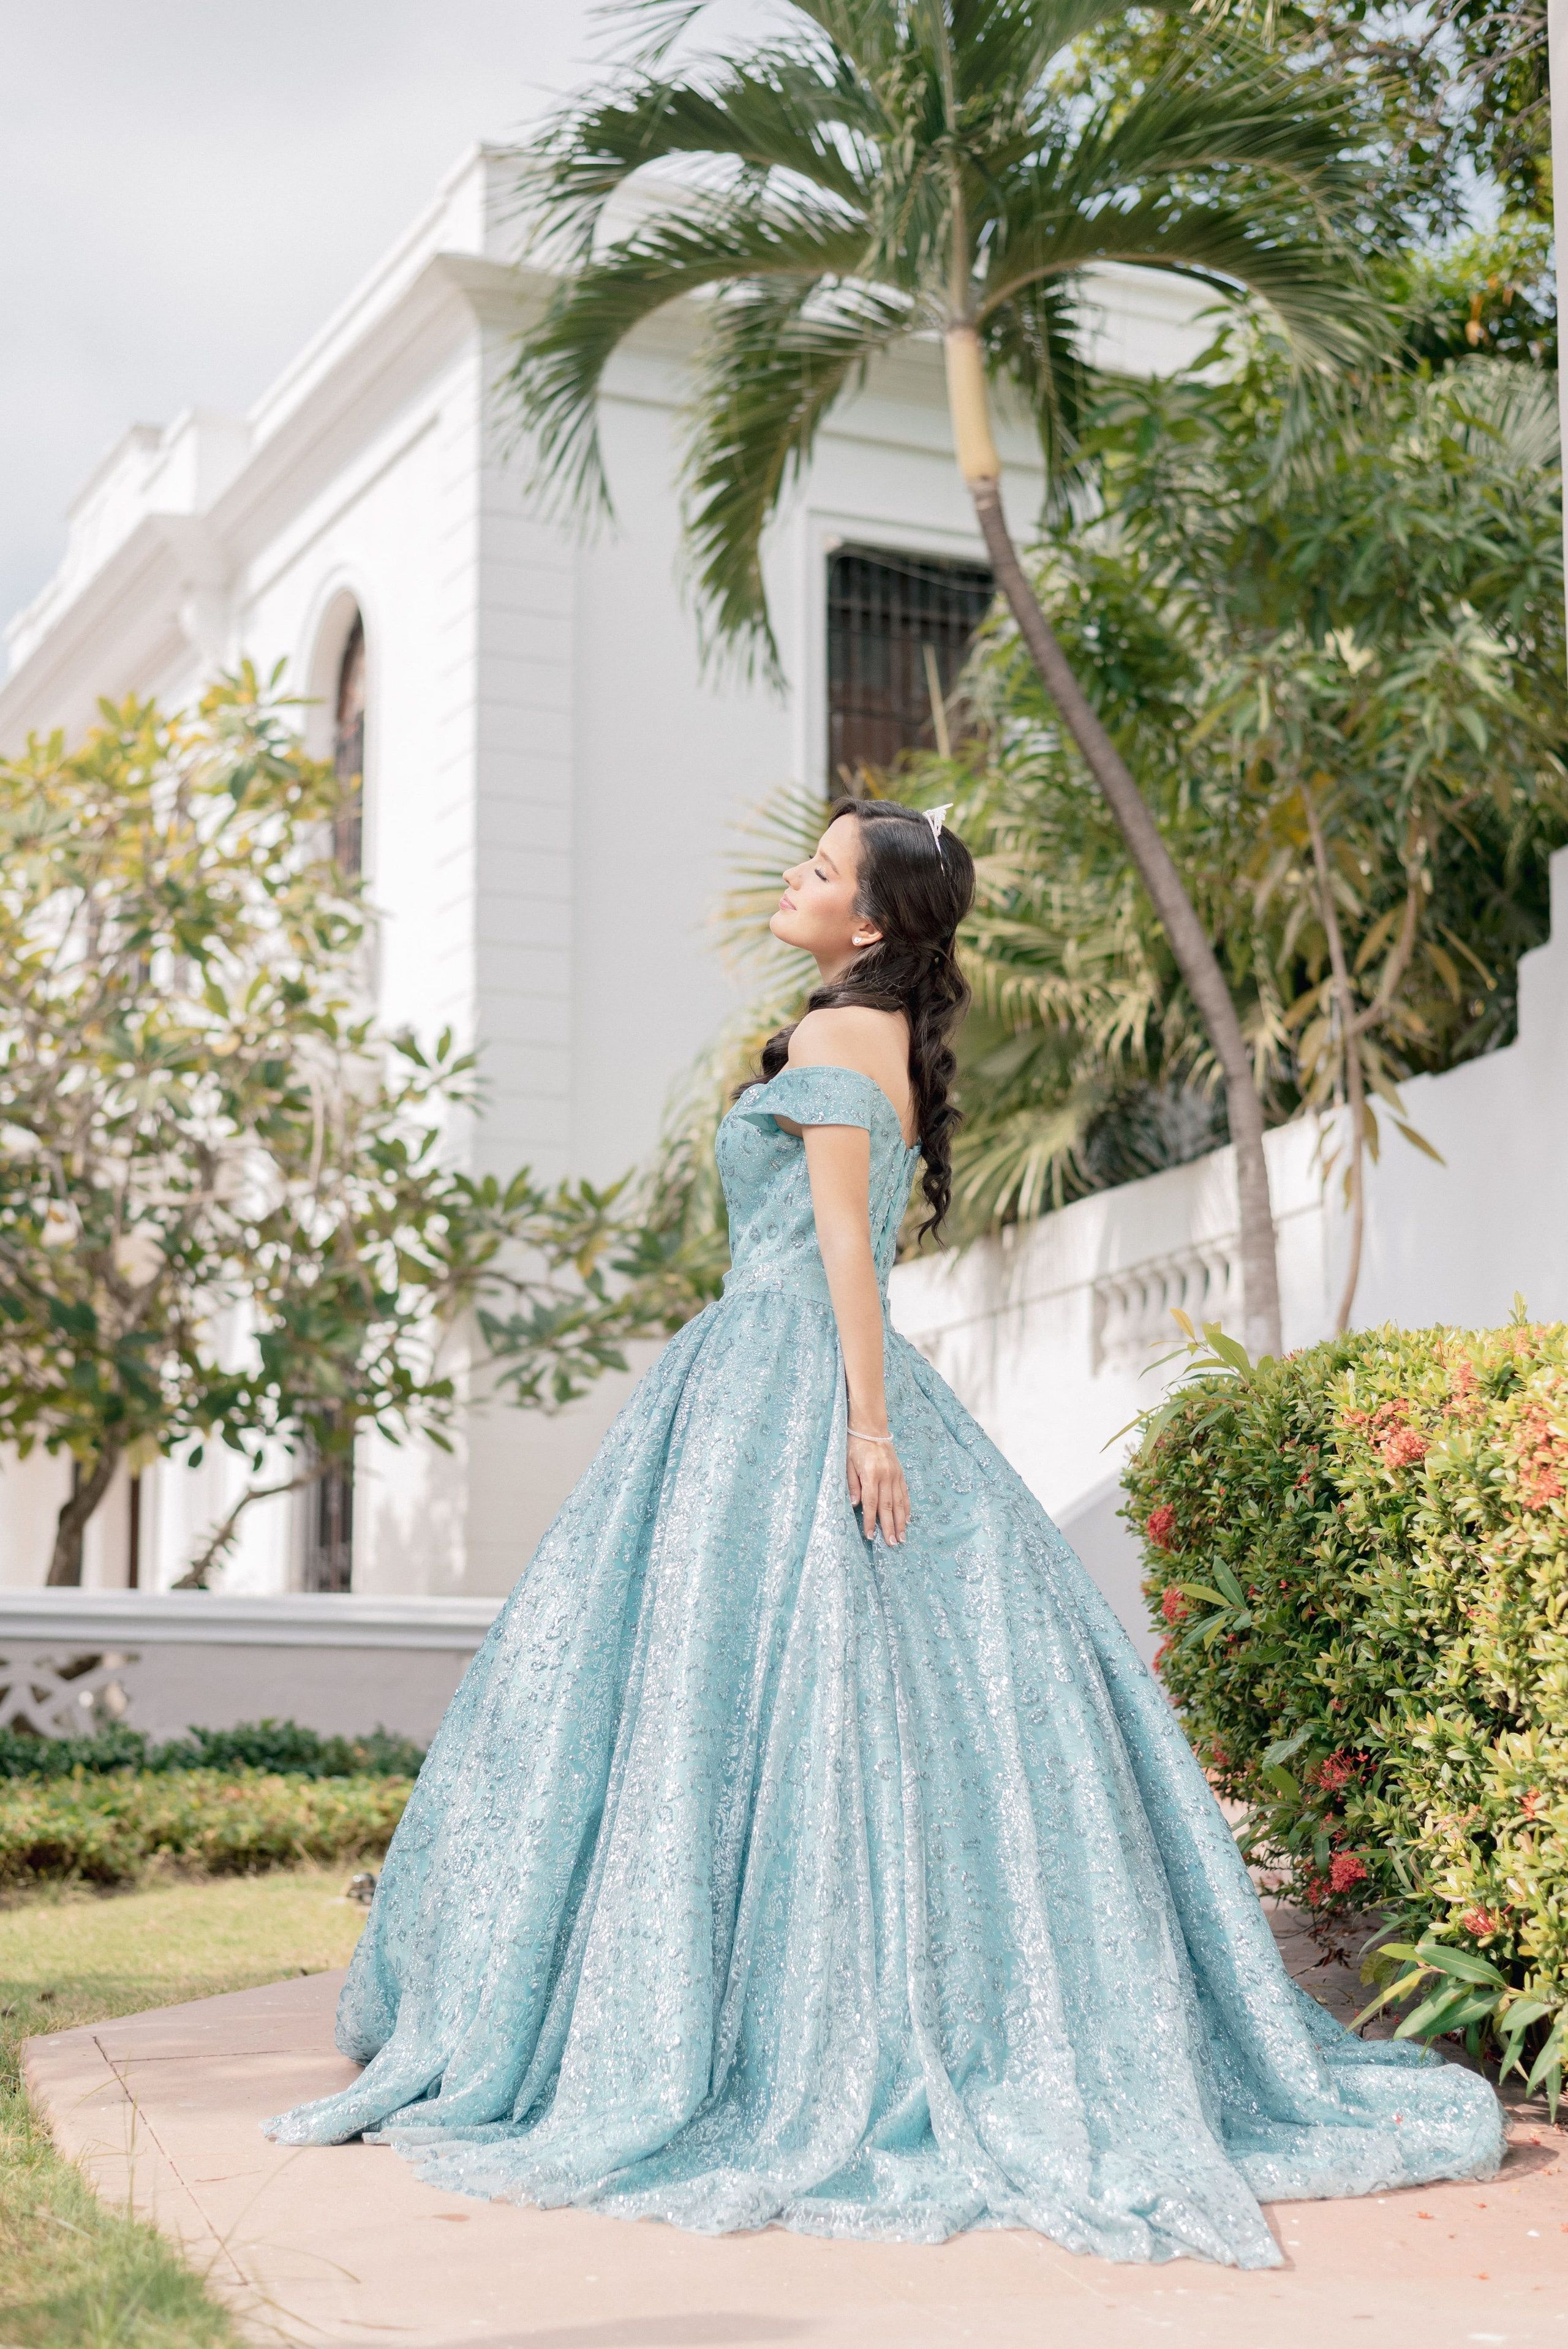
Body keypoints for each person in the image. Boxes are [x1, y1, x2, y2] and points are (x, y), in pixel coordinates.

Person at [266, 797, 1502, 2264]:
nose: (791, 879)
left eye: (818, 870)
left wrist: (864, 1427)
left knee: (717, 1702)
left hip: (786, 1378)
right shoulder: (864, 1037)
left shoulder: (830, 1044)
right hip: (769, 1372)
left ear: (868, 924)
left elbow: (847, 1254)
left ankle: (733, 2031)